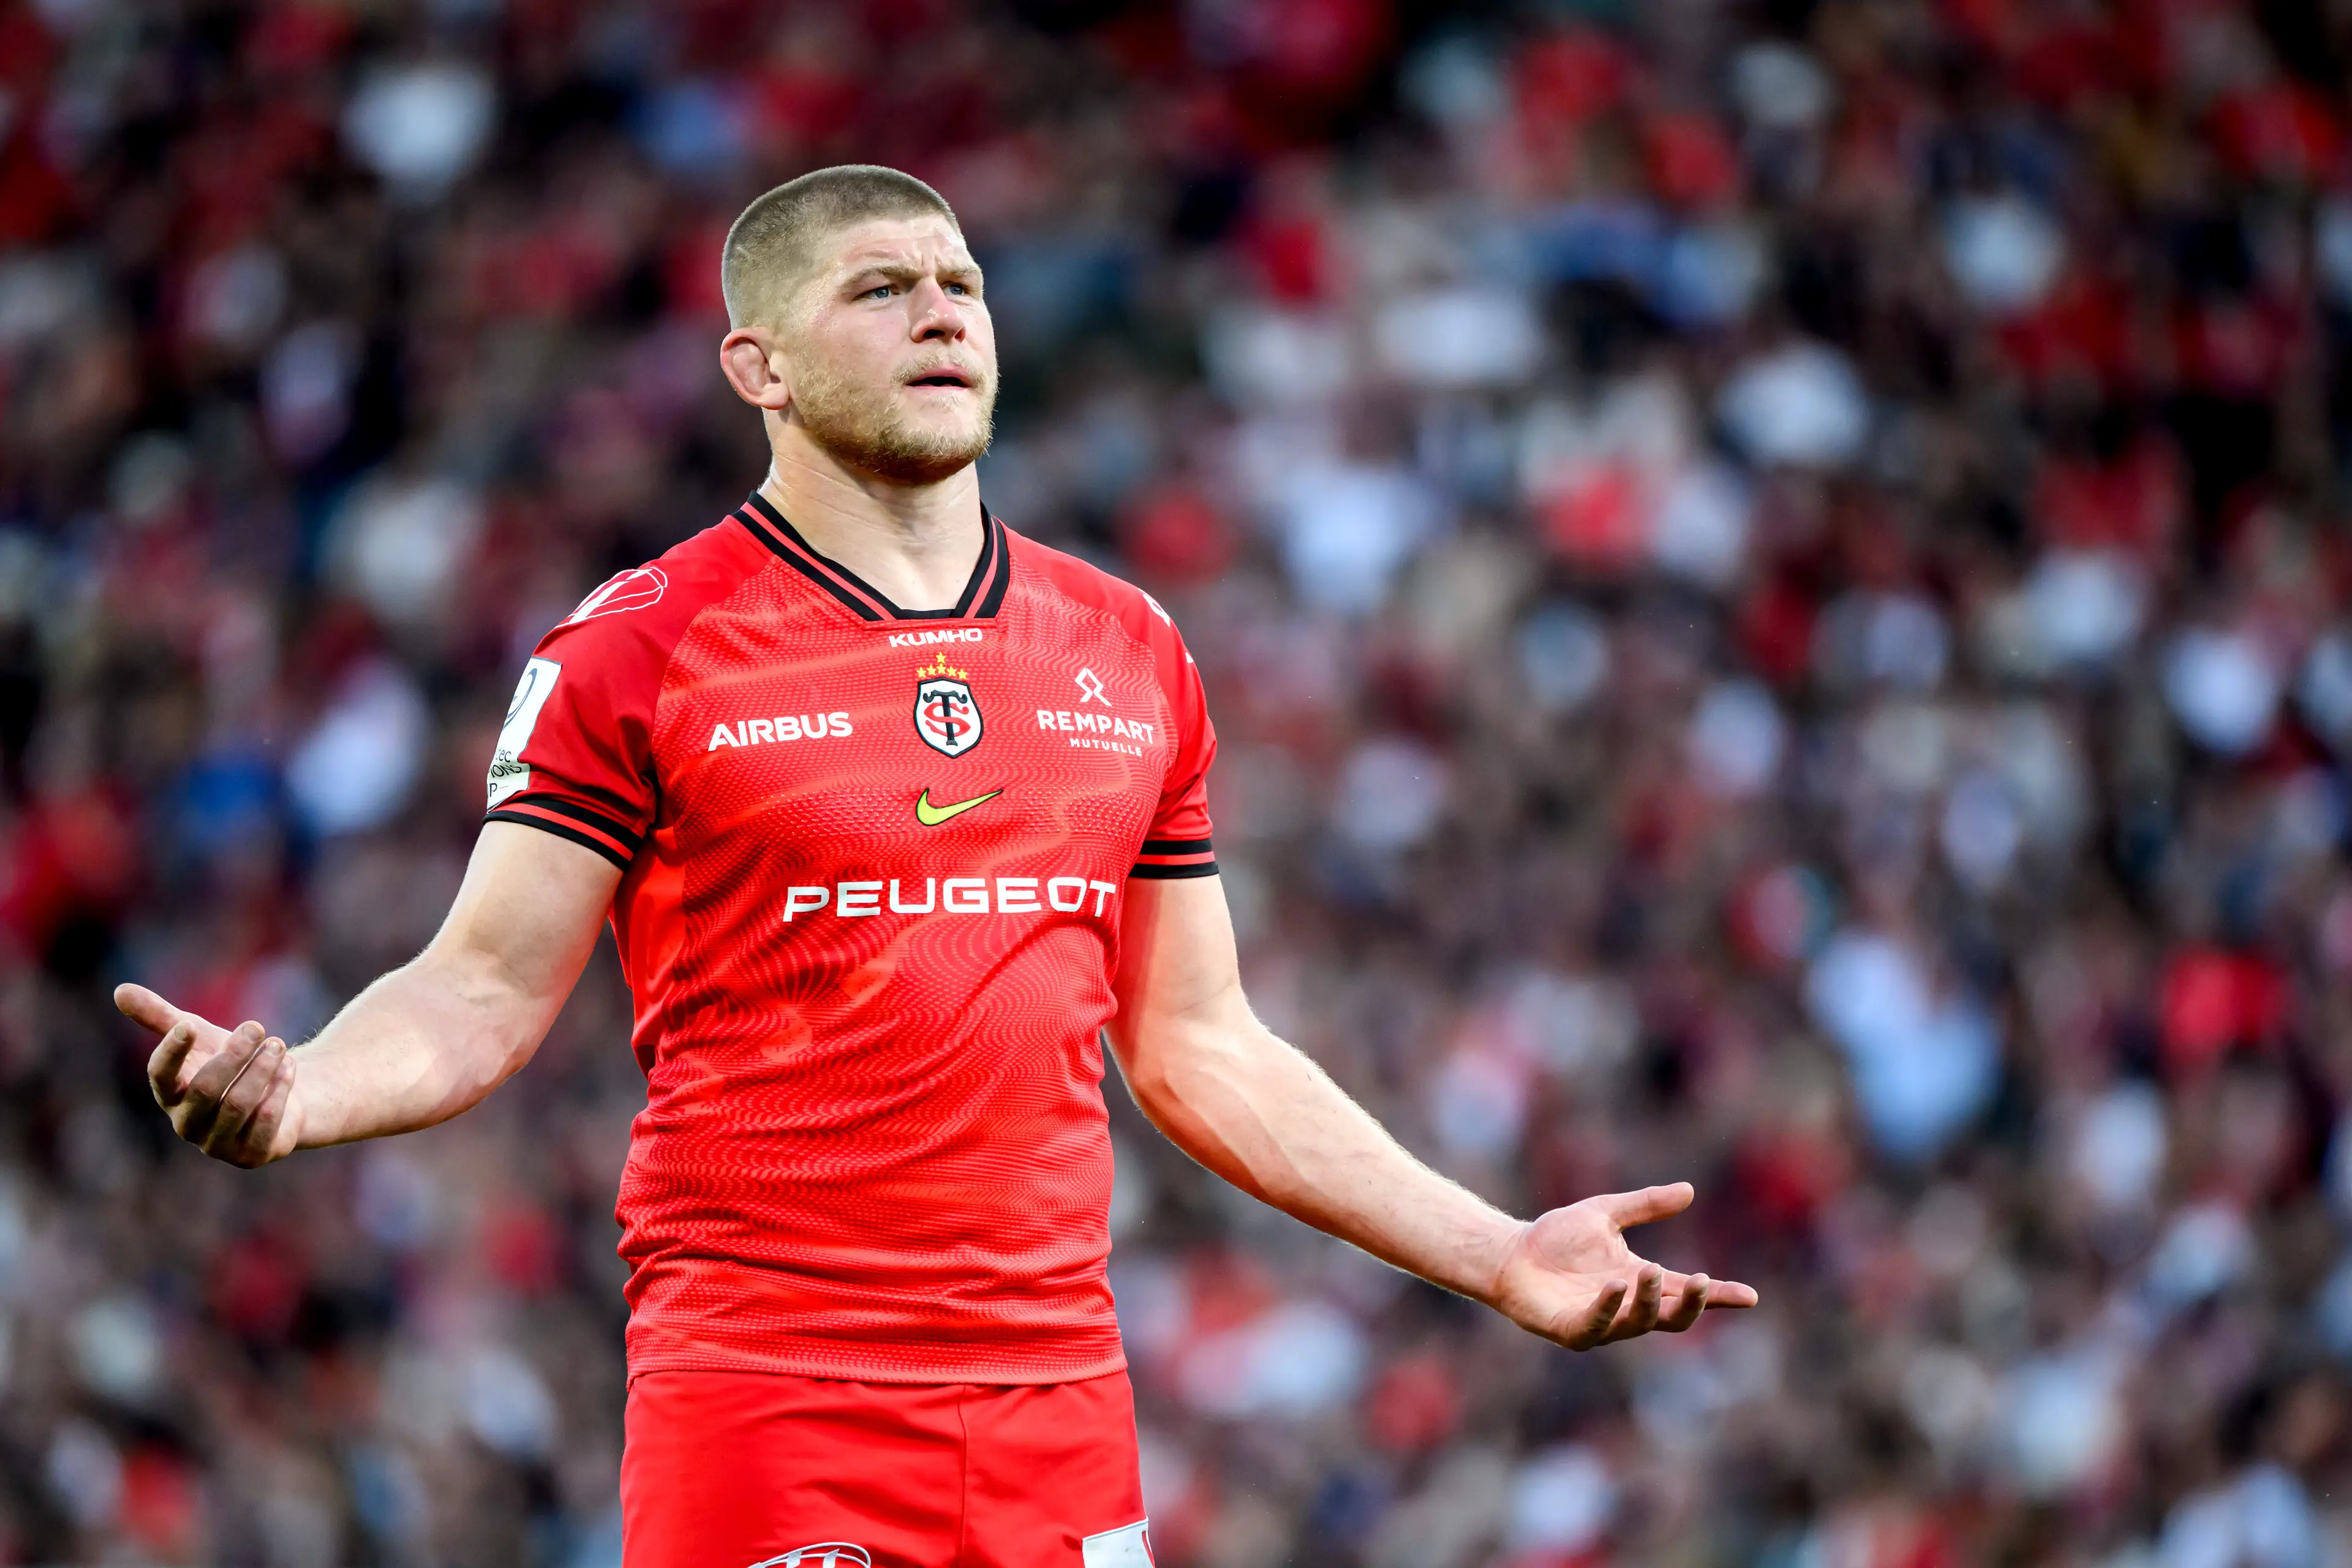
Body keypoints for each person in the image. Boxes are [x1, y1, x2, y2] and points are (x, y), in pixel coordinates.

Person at [113, 165, 1756, 1568]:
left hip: (1058, 1408)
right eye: (881, 289)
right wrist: (306, 1094)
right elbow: (479, 988)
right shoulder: (646, 649)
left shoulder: (1129, 646)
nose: (944, 312)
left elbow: (1199, 1047)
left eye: (962, 283)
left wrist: (1496, 1255)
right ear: (757, 365)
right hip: (772, 1397)